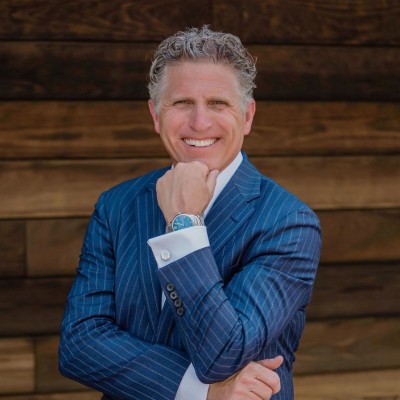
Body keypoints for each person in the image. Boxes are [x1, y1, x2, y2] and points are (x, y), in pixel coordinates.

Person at [59, 26, 321, 400]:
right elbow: (79, 344)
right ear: (155, 115)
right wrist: (202, 391)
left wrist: (184, 224)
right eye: (182, 103)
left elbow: (223, 354)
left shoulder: (289, 222)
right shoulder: (116, 205)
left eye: (218, 103)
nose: (200, 122)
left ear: (247, 116)